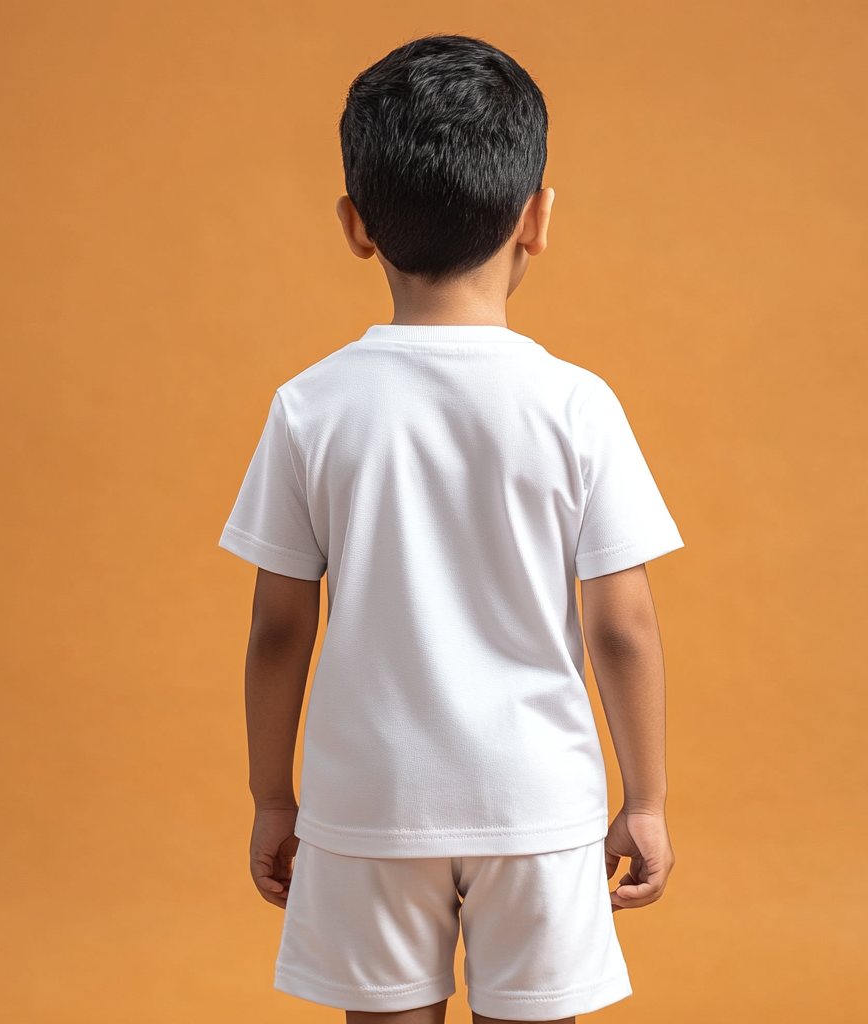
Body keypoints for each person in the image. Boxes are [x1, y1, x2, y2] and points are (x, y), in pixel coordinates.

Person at [219, 34, 683, 1024]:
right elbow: (622, 624)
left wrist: (273, 795)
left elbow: (276, 628)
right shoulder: (575, 405)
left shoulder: (311, 407)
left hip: (369, 800)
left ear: (356, 225)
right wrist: (644, 798)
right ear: (537, 218)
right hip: (537, 800)